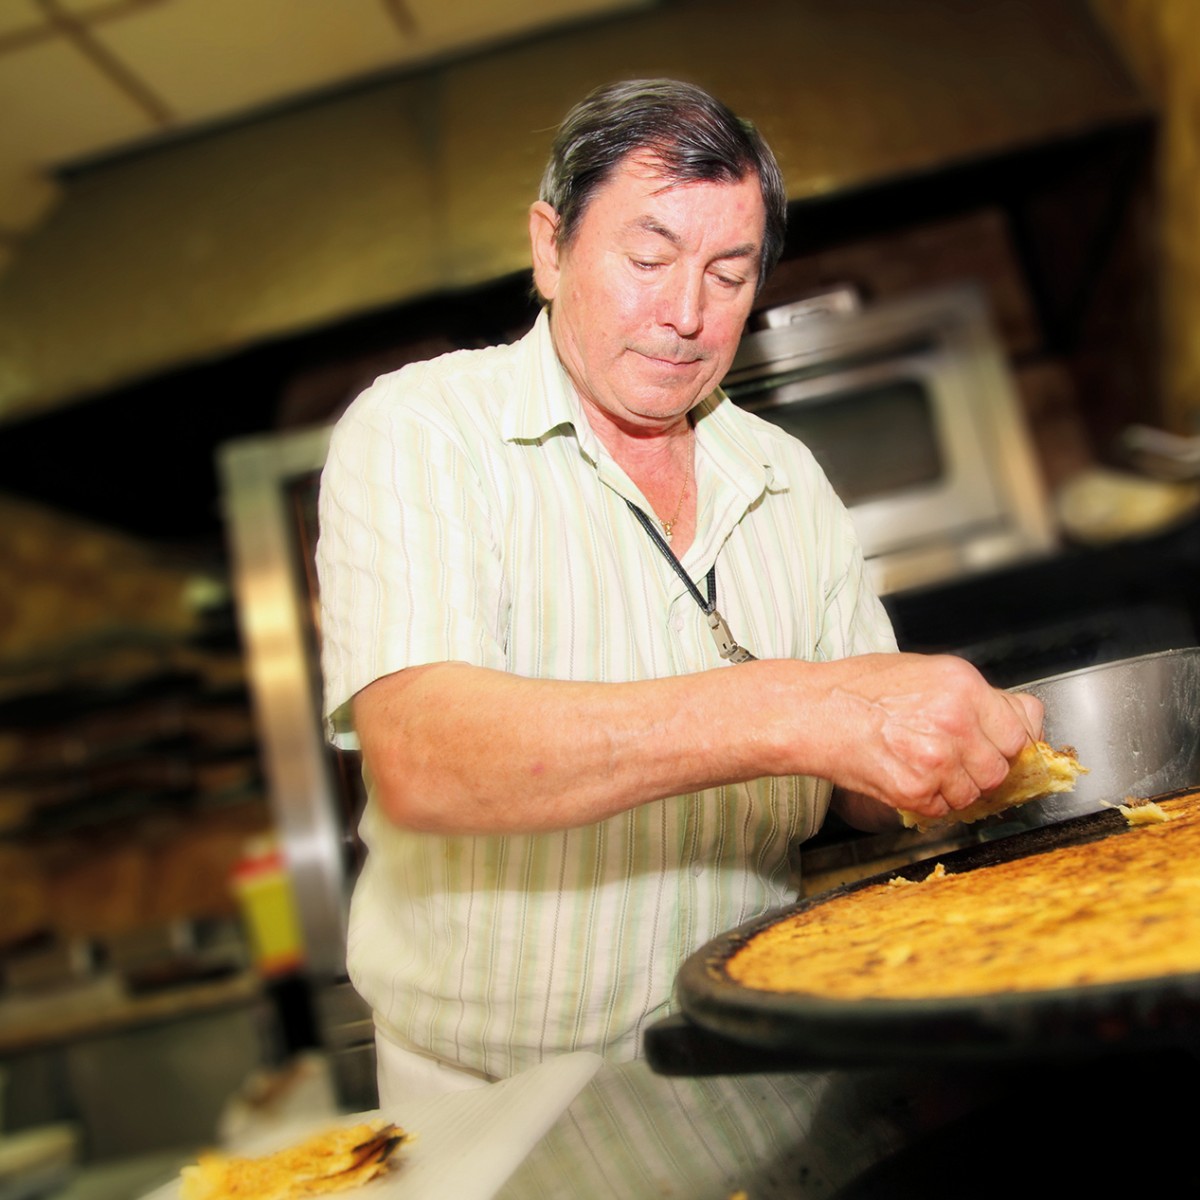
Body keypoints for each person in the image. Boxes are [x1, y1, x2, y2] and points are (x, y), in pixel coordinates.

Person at [314, 77, 1043, 1101]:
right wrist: (787, 710)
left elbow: (855, 783)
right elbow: (425, 758)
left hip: (760, 1044)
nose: (687, 315)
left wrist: (926, 759)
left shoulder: (787, 476)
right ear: (549, 246)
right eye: (647, 259)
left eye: (729, 273)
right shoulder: (423, 430)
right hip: (491, 1092)